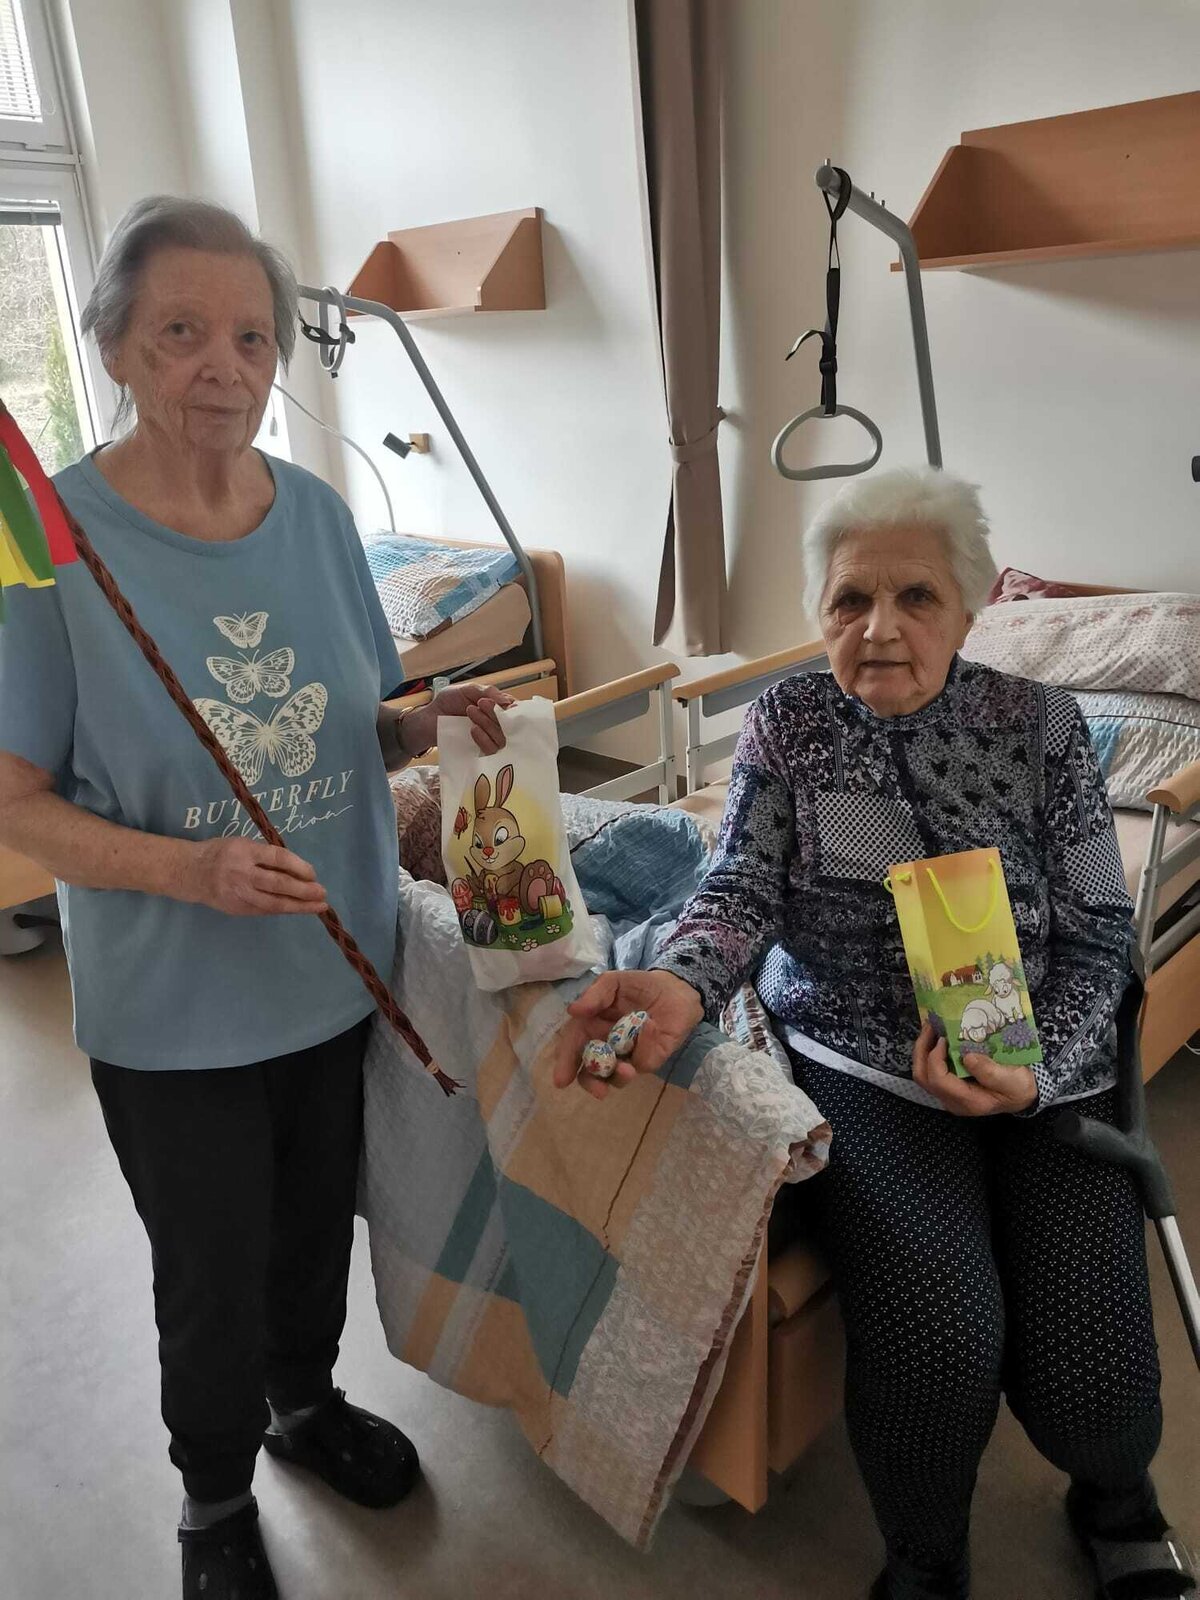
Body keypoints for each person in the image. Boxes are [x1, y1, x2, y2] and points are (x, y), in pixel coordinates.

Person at [0, 196, 512, 1600]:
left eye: (250, 336)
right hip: (174, 1009)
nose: (222, 367)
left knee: (306, 1232)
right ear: (115, 346)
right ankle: (214, 1496)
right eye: (181, 332)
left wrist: (421, 725)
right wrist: (189, 867)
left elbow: (350, 723)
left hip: (331, 974)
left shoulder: (323, 517)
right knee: (209, 1267)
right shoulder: (53, 549)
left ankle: (304, 1404)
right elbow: (14, 802)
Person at [562, 467, 1194, 1600]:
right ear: (821, 614)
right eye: (850, 599)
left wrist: (1039, 1065)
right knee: (940, 1329)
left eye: (917, 596)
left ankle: (1116, 1498)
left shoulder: (1045, 728)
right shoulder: (789, 724)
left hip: (1042, 1061)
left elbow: (1104, 927)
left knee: (1089, 1358)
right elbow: (739, 886)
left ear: (969, 610)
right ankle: (925, 1556)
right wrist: (684, 981)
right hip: (862, 1062)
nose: (881, 628)